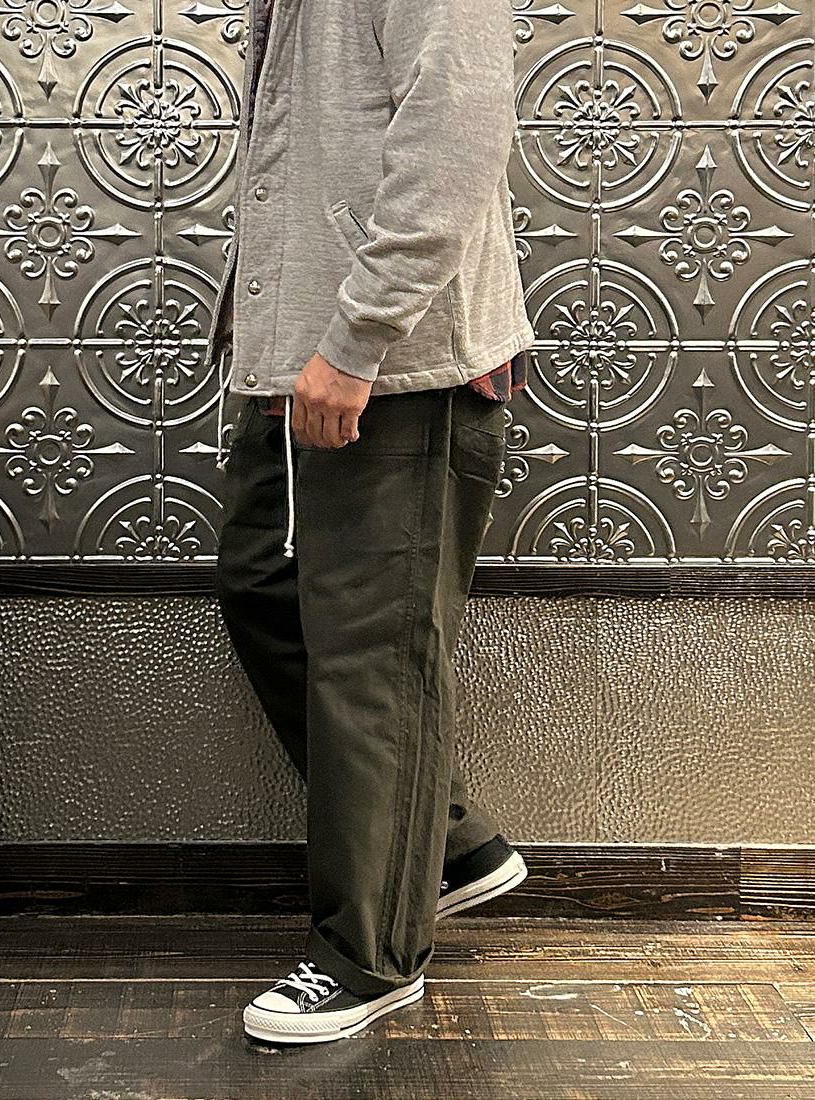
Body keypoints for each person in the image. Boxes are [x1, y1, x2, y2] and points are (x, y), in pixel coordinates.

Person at [208, 0, 536, 1045]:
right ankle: (446, 846)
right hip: (298, 360)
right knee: (261, 585)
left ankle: (369, 955)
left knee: (373, 659)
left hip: (394, 369)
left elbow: (456, 138)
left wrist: (357, 340)